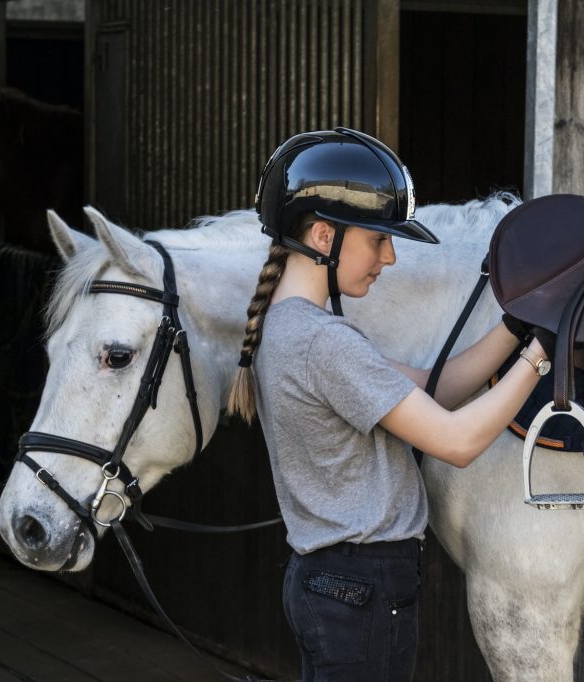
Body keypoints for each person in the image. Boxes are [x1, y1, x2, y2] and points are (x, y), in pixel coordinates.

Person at [228, 128, 549, 682]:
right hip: (362, 591)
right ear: (325, 237)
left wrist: (516, 326)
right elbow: (456, 441)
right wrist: (542, 353)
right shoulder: (324, 344)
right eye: (378, 238)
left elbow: (425, 390)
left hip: (336, 587)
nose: (391, 256)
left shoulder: (295, 330)